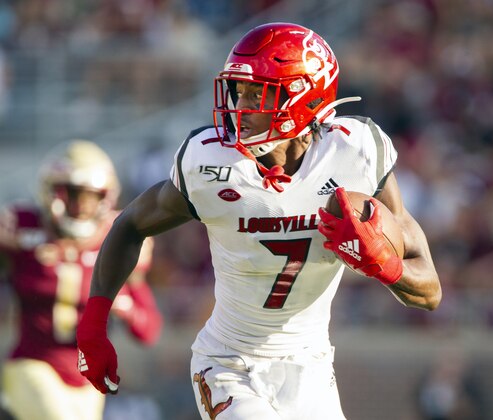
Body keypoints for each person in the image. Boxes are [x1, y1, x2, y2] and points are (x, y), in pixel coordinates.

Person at [76, 22, 441, 420]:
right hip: (228, 361)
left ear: (303, 97)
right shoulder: (211, 164)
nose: (239, 107)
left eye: (256, 93)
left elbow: (429, 291)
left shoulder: (357, 154)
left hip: (310, 365)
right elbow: (130, 224)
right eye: (238, 91)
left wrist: (384, 264)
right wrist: (94, 323)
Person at [0, 140, 162, 420]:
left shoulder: (117, 238)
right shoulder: (22, 226)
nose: (81, 206)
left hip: (88, 380)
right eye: (73, 193)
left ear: (106, 198)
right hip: (30, 365)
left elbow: (148, 331)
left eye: (90, 196)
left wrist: (123, 306)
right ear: (52, 190)